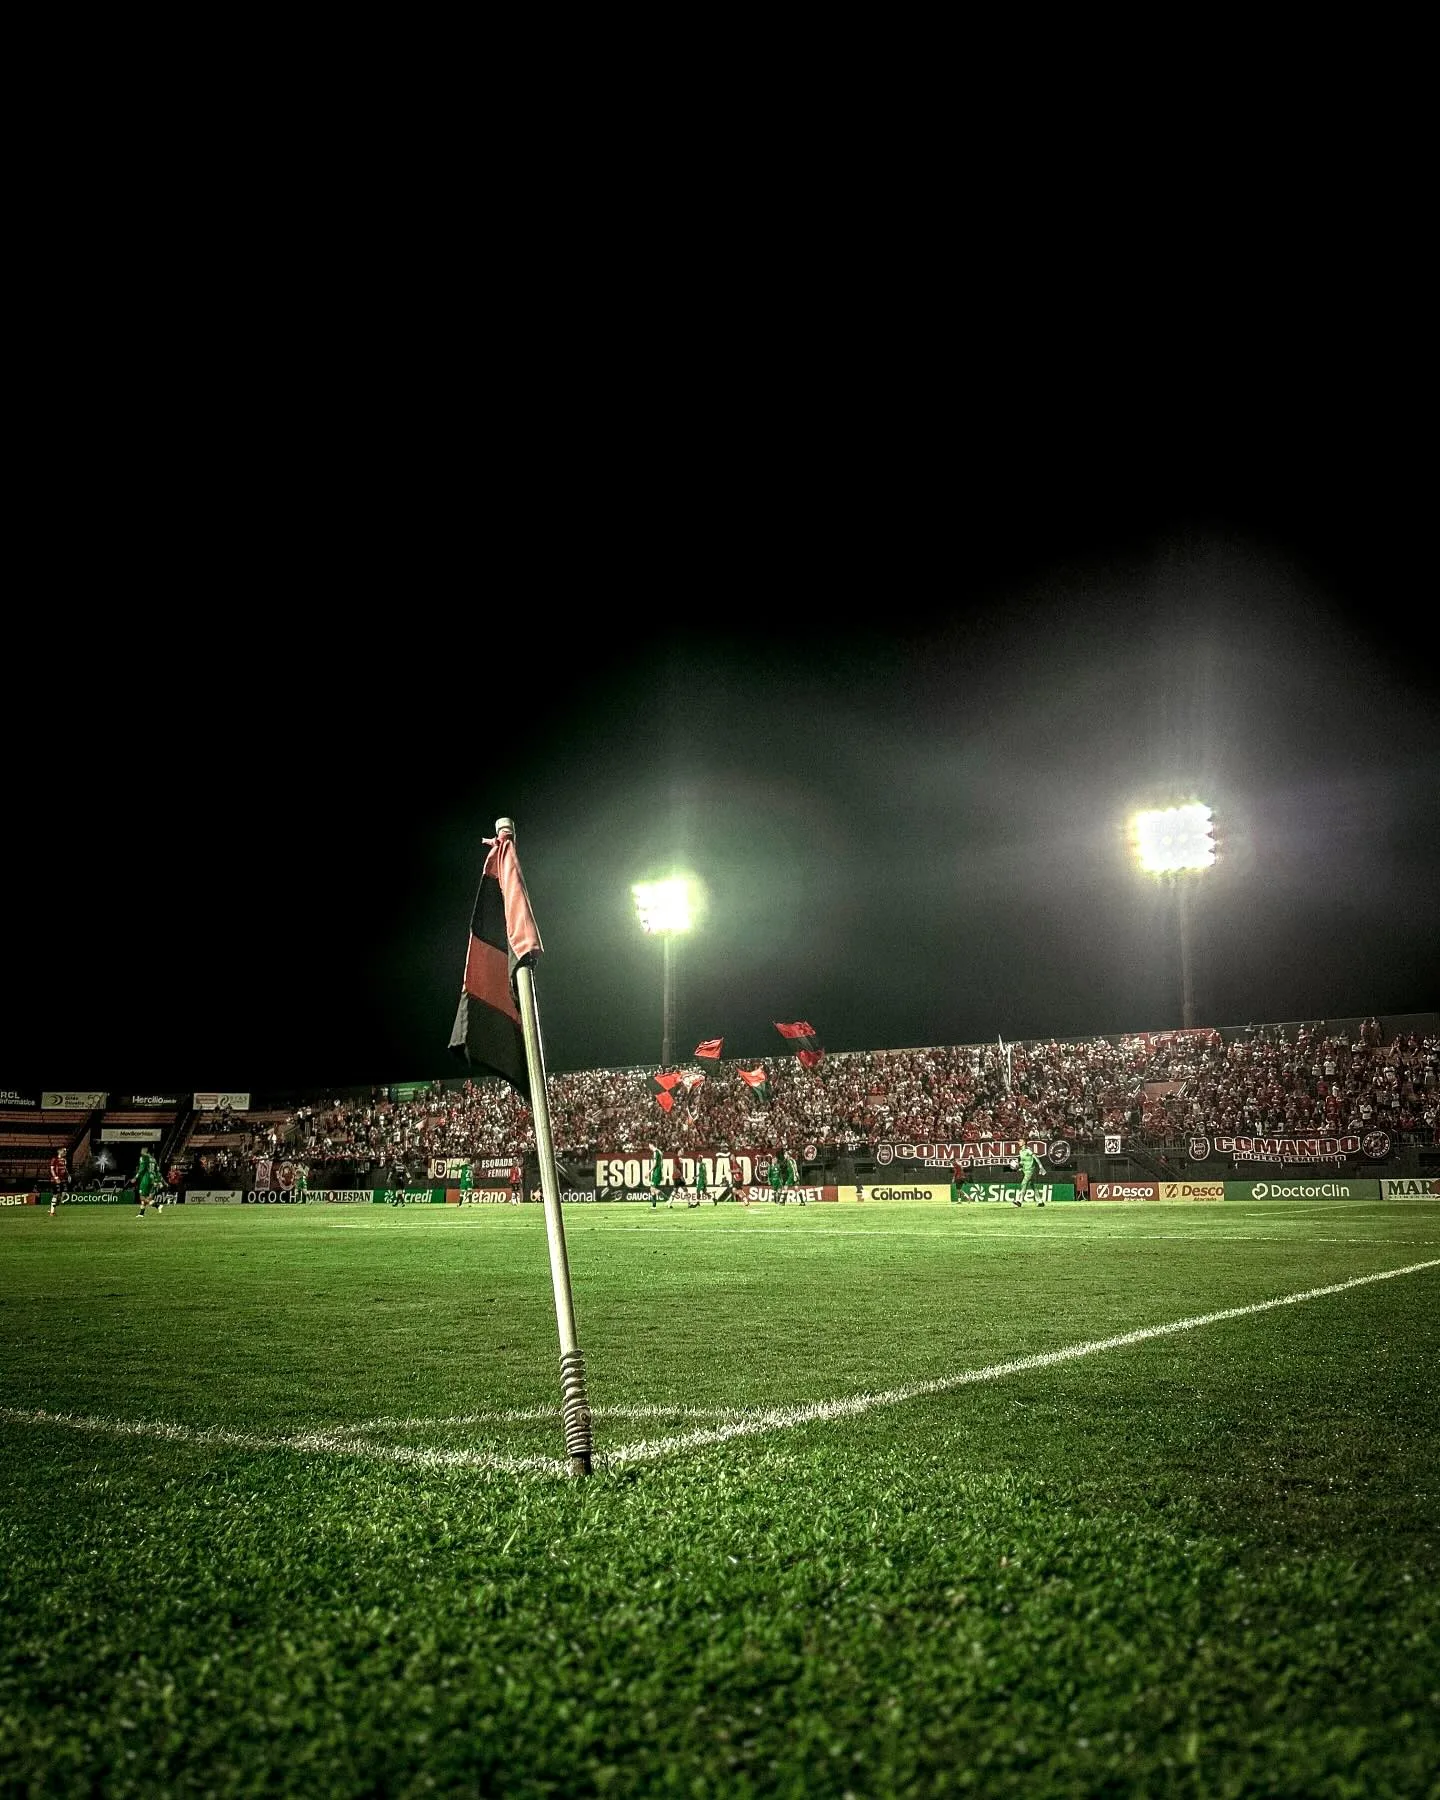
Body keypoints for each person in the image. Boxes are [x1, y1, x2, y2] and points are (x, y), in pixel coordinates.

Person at [1015, 1141, 1046, 1206]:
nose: (1018, 1142)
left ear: (1024, 1143)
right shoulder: (1020, 1152)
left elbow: (1036, 1158)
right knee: (1033, 1185)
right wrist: (1017, 1165)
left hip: (1030, 1170)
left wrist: (1041, 1166)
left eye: (1020, 1141)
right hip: (1025, 1170)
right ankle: (1040, 1201)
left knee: (1024, 1183)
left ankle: (1019, 1201)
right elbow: (1022, 1161)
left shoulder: (1028, 1150)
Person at [135, 1146, 163, 1218]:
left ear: (145, 1151)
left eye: (142, 1150)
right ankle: (141, 1213)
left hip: (146, 1179)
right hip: (152, 1179)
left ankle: (157, 1205)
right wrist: (158, 1181)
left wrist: (135, 1177)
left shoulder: (144, 1158)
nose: (141, 1152)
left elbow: (142, 1169)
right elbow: (157, 1171)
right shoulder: (153, 1159)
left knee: (142, 1197)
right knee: (146, 1197)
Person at [49, 1147, 68, 1216]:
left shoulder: (64, 1160)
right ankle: (52, 1211)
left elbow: (65, 1168)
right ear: (60, 1152)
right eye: (64, 1151)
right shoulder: (54, 1159)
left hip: (63, 1179)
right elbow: (52, 1169)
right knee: (55, 1195)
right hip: (55, 1180)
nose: (65, 1152)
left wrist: (68, 1175)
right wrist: (56, 1177)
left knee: (64, 1193)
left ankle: (53, 1206)